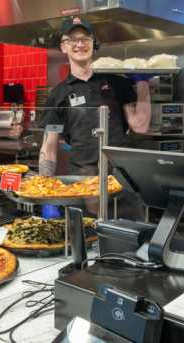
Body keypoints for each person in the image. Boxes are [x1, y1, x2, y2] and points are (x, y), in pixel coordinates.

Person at [39, 17, 151, 218]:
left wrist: (143, 84)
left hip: (121, 177)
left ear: (94, 44)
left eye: (85, 39)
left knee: (130, 237)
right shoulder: (59, 94)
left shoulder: (116, 81)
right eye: (73, 40)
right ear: (63, 47)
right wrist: (45, 190)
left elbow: (140, 126)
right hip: (83, 179)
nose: (80, 44)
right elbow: (49, 147)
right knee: (89, 239)